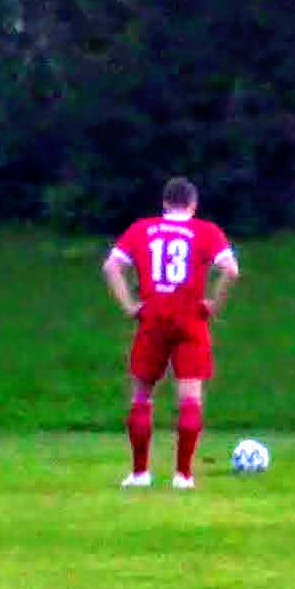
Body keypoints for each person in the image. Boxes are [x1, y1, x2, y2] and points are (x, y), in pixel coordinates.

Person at [102, 177, 241, 489]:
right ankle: (183, 475)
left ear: (165, 203)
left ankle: (140, 473)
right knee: (190, 398)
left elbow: (111, 267)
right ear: (193, 204)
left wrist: (129, 306)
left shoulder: (142, 229)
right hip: (190, 317)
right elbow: (231, 270)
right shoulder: (206, 231)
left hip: (153, 316)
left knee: (141, 396)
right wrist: (214, 304)